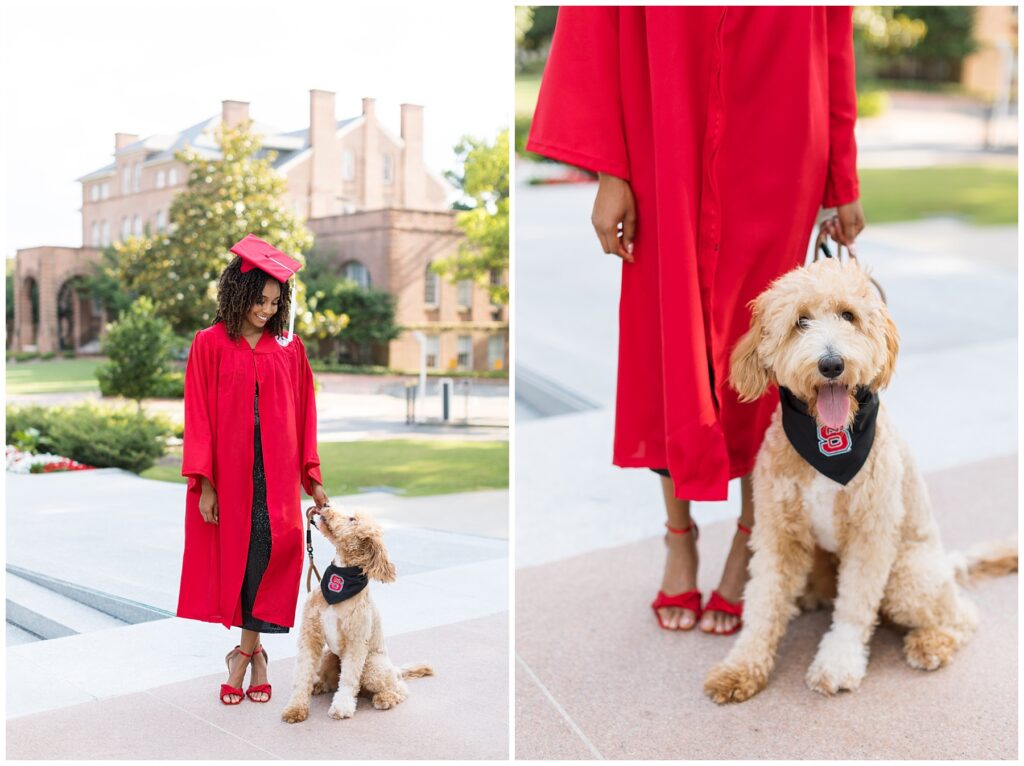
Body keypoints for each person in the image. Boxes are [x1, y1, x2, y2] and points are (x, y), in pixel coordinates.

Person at [527, 6, 865, 634]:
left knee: (767, 349)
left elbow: (832, 32)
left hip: (779, 137)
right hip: (665, 135)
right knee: (669, 352)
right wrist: (610, 171)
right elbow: (597, 24)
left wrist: (842, 176)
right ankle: (678, 538)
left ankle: (748, 539)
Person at [176, 235, 329, 704]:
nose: (266, 309)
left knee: (266, 559)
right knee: (238, 565)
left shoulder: (288, 347)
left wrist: (314, 479)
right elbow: (197, 413)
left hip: (276, 479)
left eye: (273, 302)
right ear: (238, 295)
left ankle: (244, 655)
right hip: (231, 478)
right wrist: (204, 483)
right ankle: (252, 655)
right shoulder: (209, 344)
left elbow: (305, 414)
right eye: (259, 300)